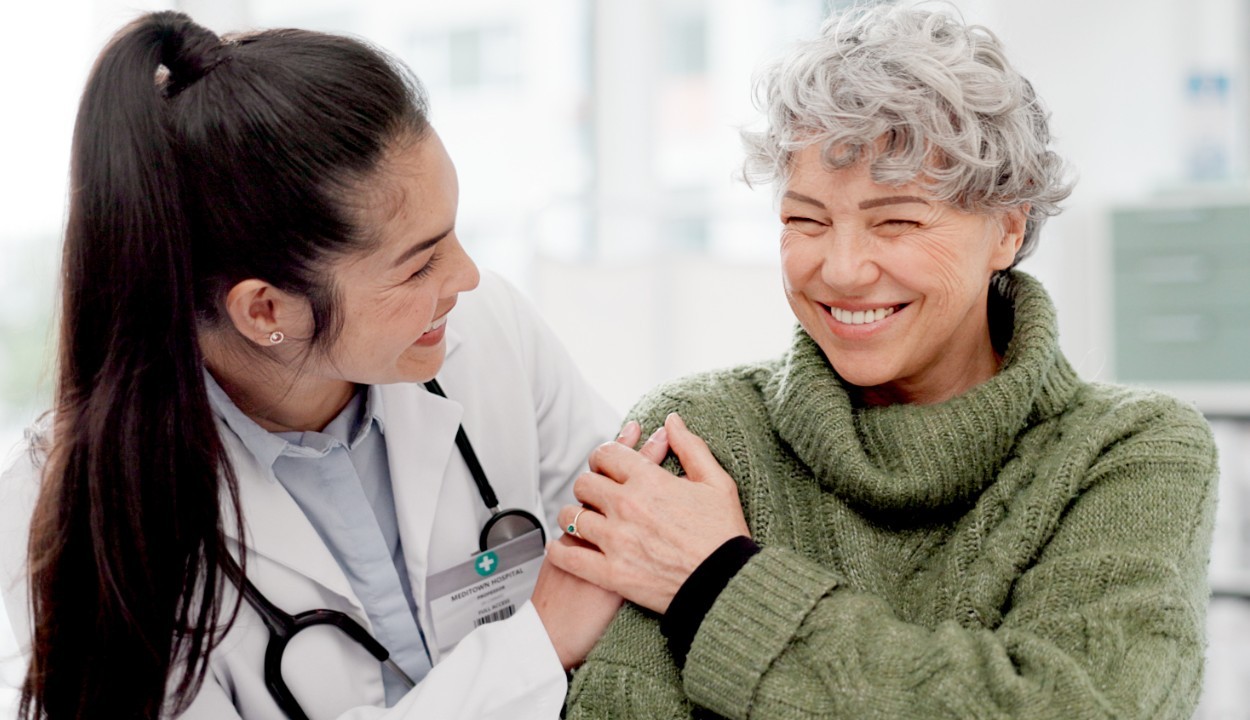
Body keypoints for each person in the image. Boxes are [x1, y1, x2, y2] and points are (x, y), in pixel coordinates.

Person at [550, 5, 1220, 719]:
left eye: (895, 221)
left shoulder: (1132, 452)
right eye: (805, 220)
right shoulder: (699, 433)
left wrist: (715, 585)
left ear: (1007, 228)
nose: (840, 270)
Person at [0, 11, 645, 720]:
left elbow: (634, 548)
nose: (466, 277)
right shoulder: (74, 515)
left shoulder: (489, 338)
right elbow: (572, 614)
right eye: (419, 263)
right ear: (267, 311)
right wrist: (537, 646)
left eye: (455, 234)